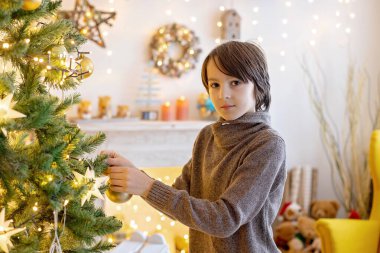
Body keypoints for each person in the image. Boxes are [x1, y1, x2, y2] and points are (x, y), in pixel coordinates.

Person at [102, 41, 286, 253]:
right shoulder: (207, 136)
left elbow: (225, 220)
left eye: (235, 82)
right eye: (214, 85)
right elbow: (177, 201)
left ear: (259, 84)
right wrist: (136, 175)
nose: (222, 95)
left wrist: (146, 185)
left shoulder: (268, 144)